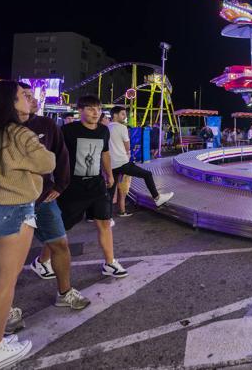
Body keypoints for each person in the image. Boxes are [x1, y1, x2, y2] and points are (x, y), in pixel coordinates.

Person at [0, 81, 56, 370]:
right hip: (14, 210)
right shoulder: (18, 133)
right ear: (9, 103)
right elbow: (47, 162)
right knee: (6, 282)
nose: (28, 100)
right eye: (22, 96)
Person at [17, 83, 90, 316]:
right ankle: (4, 308)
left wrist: (60, 184)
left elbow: (61, 155)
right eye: (25, 95)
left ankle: (64, 292)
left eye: (32, 95)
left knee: (60, 244)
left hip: (45, 199)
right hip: (12, 202)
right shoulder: (1, 129)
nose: (32, 99)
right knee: (10, 258)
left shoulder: (46, 125)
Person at [58, 95, 126, 278]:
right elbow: (56, 156)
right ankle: (42, 260)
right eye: (90, 108)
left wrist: (109, 175)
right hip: (73, 188)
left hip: (96, 185)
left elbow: (105, 153)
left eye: (98, 108)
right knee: (61, 228)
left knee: (104, 222)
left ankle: (110, 263)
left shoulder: (103, 131)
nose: (96, 113)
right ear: (80, 110)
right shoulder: (67, 131)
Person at [108, 106, 173, 212]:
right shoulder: (122, 128)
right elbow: (127, 147)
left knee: (111, 190)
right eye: (123, 114)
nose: (125, 117)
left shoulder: (107, 127)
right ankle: (157, 198)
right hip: (122, 163)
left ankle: (106, 216)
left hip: (111, 164)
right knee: (147, 174)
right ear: (115, 115)